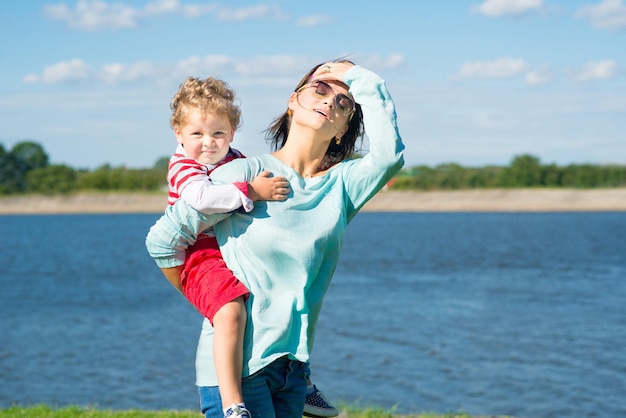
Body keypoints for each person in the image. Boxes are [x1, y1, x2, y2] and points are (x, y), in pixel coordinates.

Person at [146, 60, 404, 418]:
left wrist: (356, 76)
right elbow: (162, 241)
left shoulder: (342, 186)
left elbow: (390, 156)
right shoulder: (244, 174)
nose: (330, 101)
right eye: (320, 89)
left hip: (294, 372)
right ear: (293, 101)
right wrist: (215, 303)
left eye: (344, 102)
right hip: (239, 375)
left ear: (345, 128)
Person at [158, 76, 290, 417]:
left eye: (218, 133)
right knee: (230, 311)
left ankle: (294, 378)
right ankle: (233, 403)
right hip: (200, 253)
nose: (208, 143)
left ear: (232, 133)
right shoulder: (183, 166)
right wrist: (253, 191)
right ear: (178, 134)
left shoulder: (235, 159)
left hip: (232, 243)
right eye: (197, 134)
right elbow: (203, 198)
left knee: (284, 294)